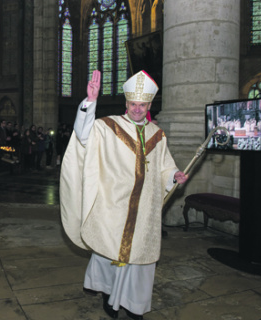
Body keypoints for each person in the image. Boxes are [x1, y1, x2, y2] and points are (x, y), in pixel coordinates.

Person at [60, 70, 188, 320]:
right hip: (114, 205)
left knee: (141, 258)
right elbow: (83, 135)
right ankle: (109, 294)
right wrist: (90, 102)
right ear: (126, 103)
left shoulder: (157, 134)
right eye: (133, 104)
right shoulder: (108, 126)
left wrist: (174, 175)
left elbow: (165, 165)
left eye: (142, 104)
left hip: (145, 210)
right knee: (111, 252)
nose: (138, 109)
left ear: (149, 105)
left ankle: (134, 303)